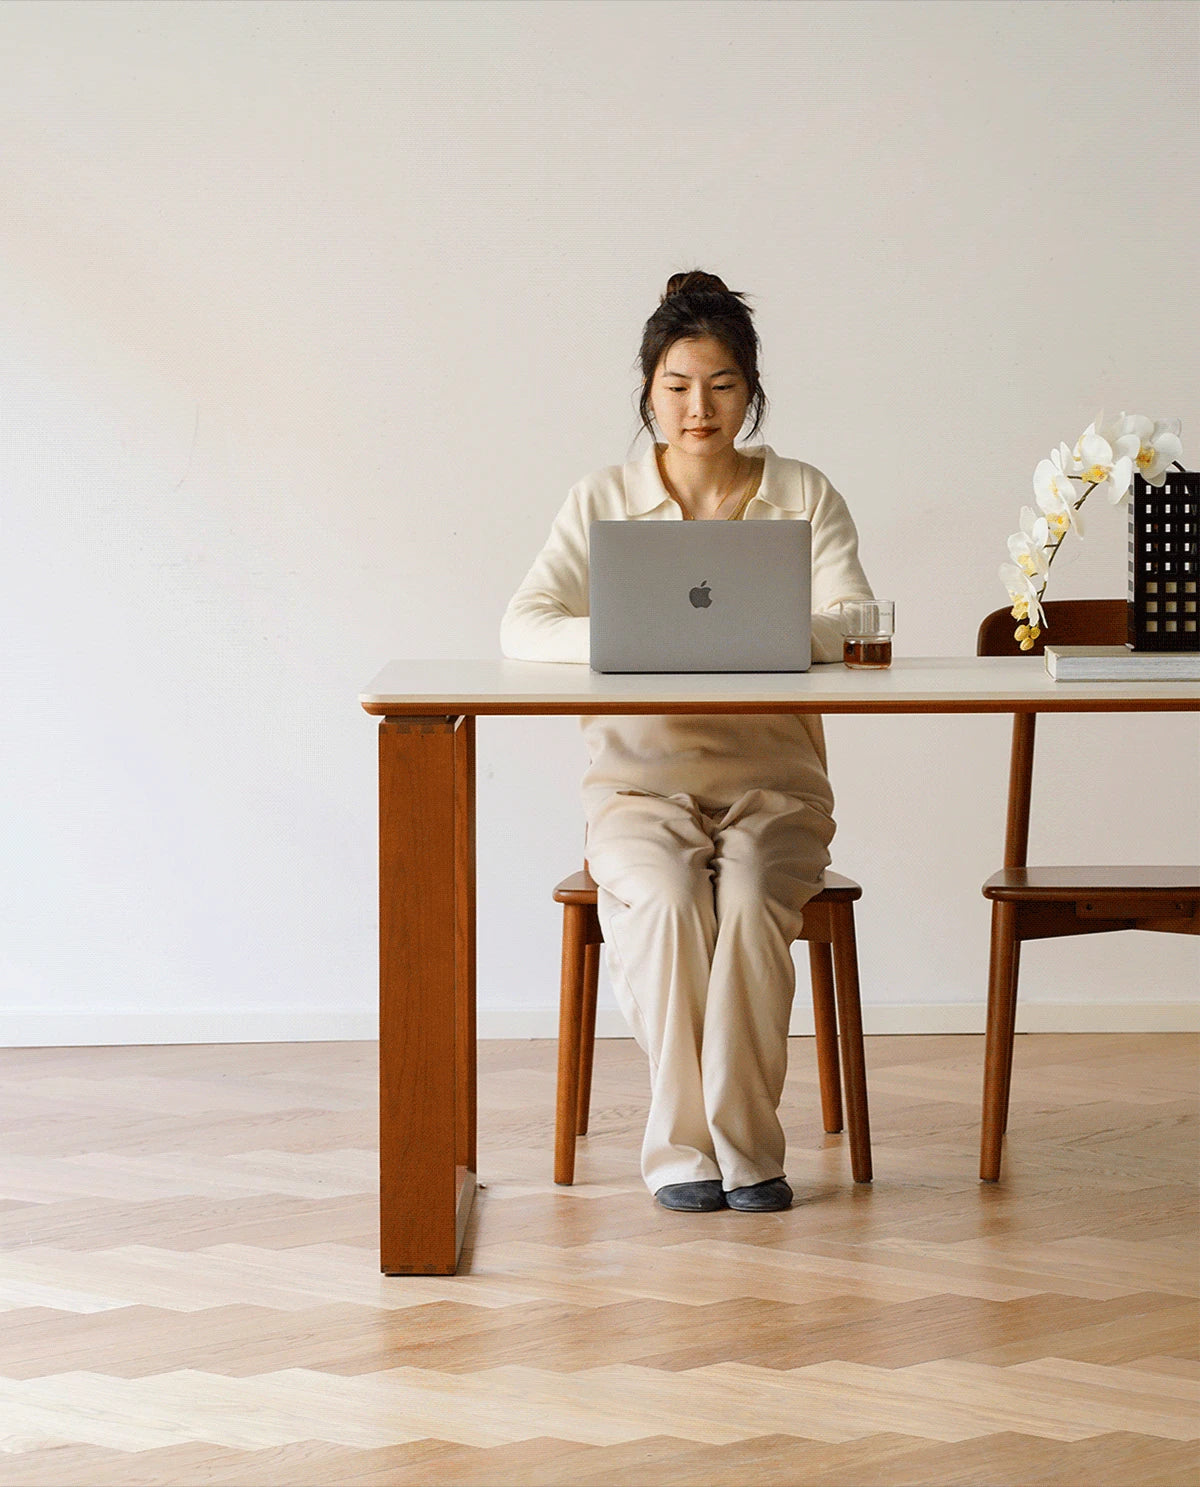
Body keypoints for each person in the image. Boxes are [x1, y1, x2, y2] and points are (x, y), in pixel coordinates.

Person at [501, 271, 874, 1214]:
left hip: (774, 786)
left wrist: (773, 627)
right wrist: (627, 634)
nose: (697, 407)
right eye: (676, 384)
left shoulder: (800, 491)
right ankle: (680, 1149)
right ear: (647, 393)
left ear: (751, 391)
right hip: (636, 789)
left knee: (748, 900)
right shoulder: (603, 500)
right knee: (666, 899)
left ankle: (748, 1149)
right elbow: (523, 623)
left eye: (720, 383)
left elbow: (856, 614)